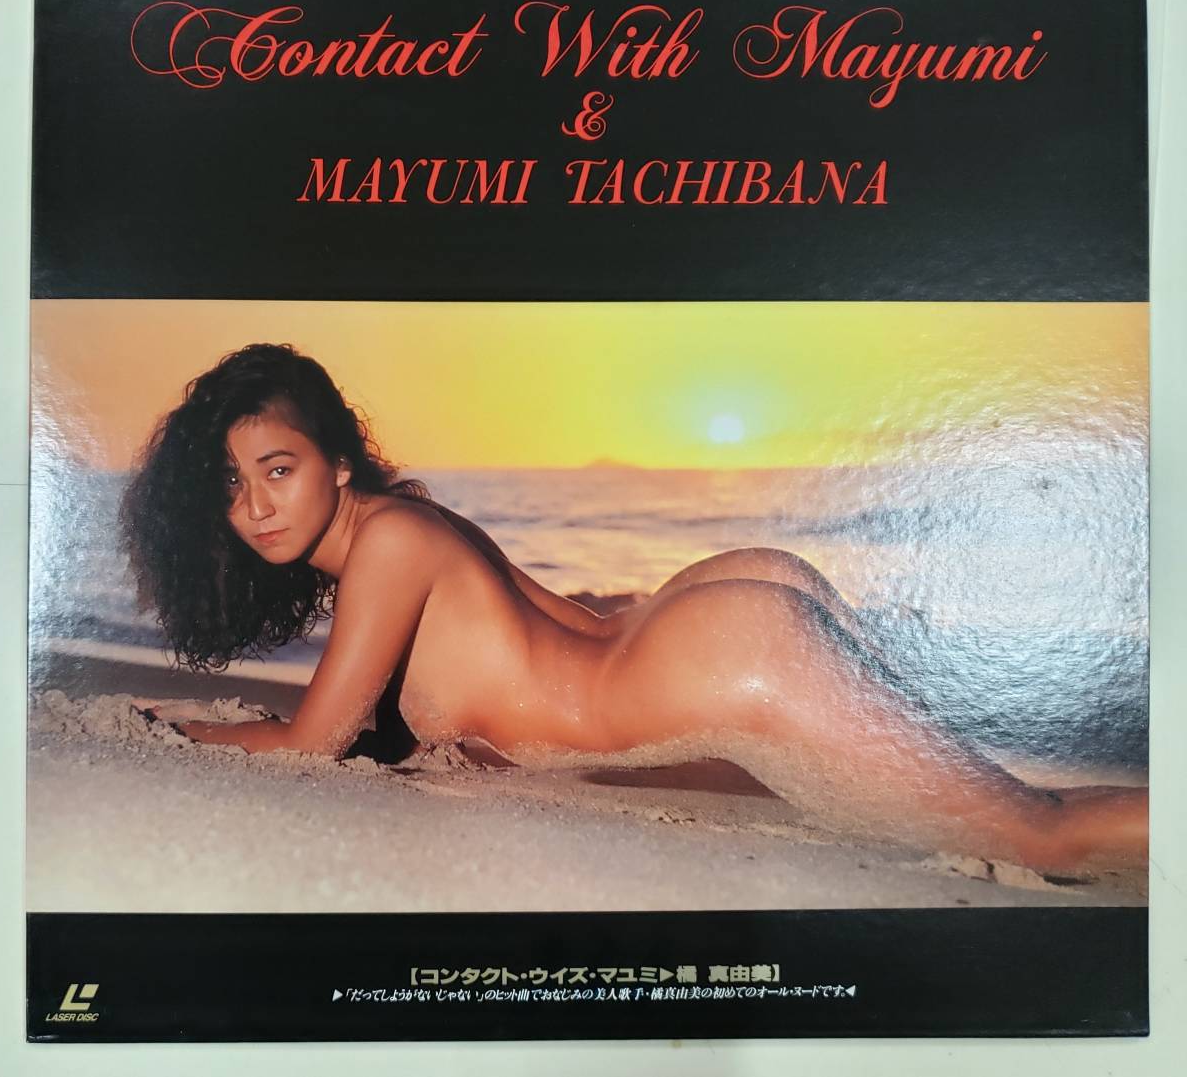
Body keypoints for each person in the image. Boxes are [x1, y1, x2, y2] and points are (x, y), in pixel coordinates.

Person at [121, 343, 1147, 874]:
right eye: (232, 483)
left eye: (280, 467)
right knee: (1016, 806)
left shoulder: (387, 544)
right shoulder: (410, 520)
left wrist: (175, 729)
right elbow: (553, 626)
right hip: (691, 628)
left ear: (338, 461)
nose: (256, 505)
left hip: (715, 656)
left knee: (1040, 834)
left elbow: (311, 740)